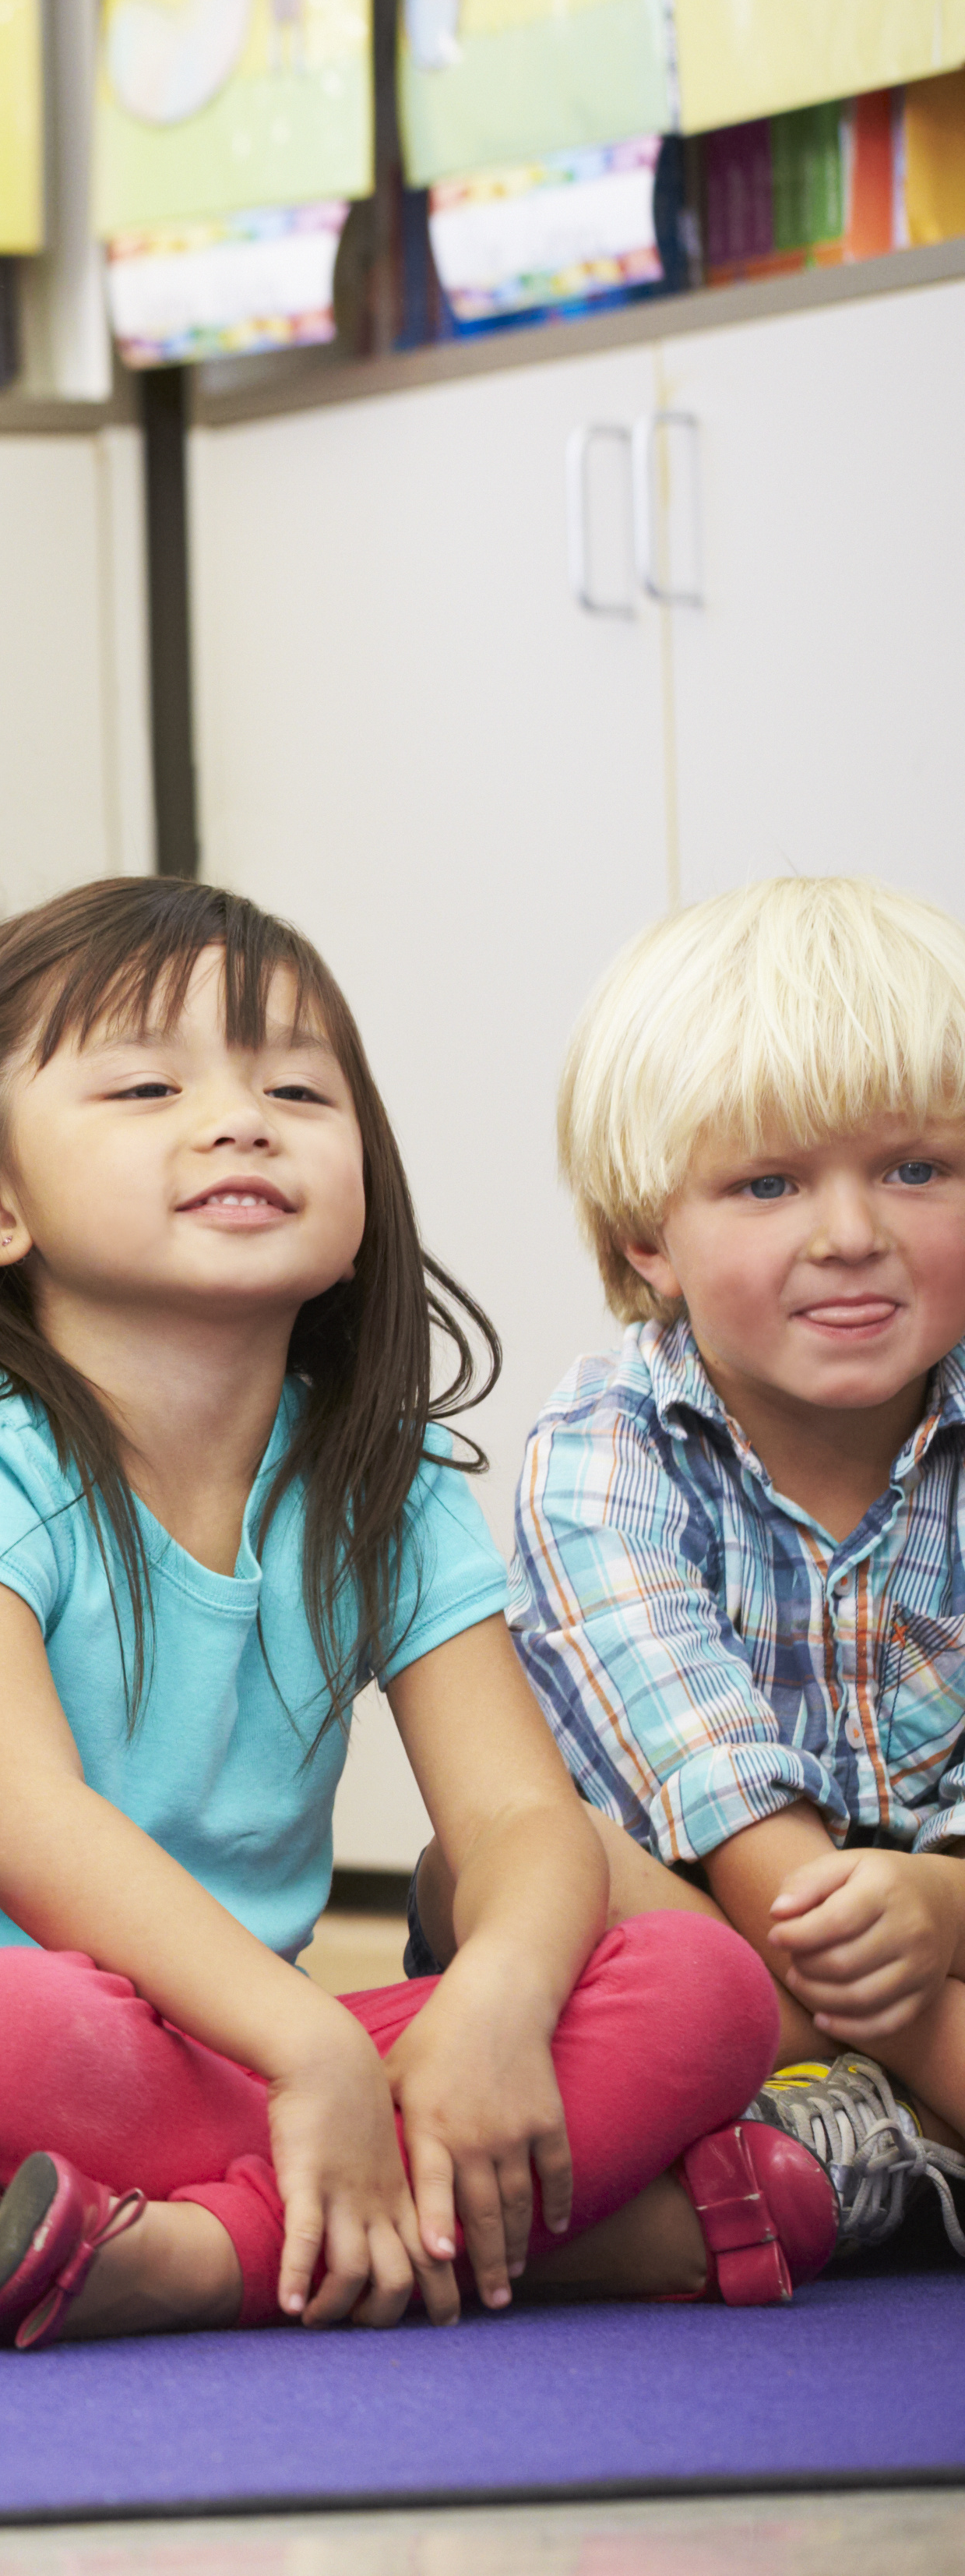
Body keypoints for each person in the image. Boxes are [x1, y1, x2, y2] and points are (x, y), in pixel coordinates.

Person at [0, 877, 827, 2349]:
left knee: (700, 1982)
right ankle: (555, 2233)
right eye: (149, 1085)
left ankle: (216, 2253)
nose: (239, 1119)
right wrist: (312, 2046)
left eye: (294, 1087)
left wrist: (499, 2005)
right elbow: (26, 1821)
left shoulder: (382, 1479)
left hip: (246, 2066)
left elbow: (522, 1821)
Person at [497, 876, 965, 2263]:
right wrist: (928, 2003)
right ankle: (894, 2115)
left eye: (916, 1169)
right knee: (526, 1869)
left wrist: (941, 1906)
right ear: (651, 1237)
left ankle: (852, 2138)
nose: (849, 1234)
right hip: (717, 1936)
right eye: (768, 1184)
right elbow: (745, 1837)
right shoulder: (601, 1459)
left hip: (940, 1921)